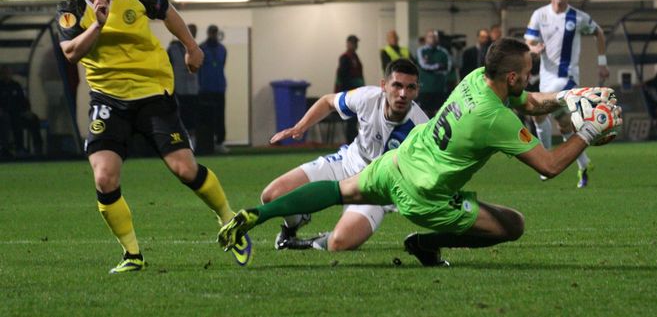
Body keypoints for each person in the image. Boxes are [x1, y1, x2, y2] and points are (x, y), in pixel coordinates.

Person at [217, 38, 621, 266]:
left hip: (396, 162)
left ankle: (256, 216)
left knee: (340, 191)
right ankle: (426, 244)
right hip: (425, 195)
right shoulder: (495, 118)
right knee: (513, 225)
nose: (530, 78)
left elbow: (529, 100)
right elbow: (549, 166)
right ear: (512, 76)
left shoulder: (478, 78)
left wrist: (566, 97)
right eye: (528, 72)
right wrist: (586, 132)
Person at [55, 0, 251, 273]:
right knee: (104, 178)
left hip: (152, 92)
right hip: (108, 99)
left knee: (185, 169)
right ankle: (132, 255)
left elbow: (167, 11)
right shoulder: (71, 10)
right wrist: (99, 24)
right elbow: (71, 54)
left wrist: (190, 46)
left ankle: (229, 220)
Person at [262, 59, 428, 251]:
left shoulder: (421, 128)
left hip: (376, 186)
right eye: (397, 86)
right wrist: (300, 127)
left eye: (410, 88)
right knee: (271, 196)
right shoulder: (366, 97)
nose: (403, 94)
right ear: (384, 85)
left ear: (417, 90)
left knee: (339, 243)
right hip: (347, 163)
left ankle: (313, 242)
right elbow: (328, 101)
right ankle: (294, 224)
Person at [524, 0, 609, 188]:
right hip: (546, 78)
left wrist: (602, 62)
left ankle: (542, 164)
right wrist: (534, 48)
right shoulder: (540, 15)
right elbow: (528, 41)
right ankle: (584, 164)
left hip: (567, 79)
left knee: (537, 111)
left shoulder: (577, 17)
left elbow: (598, 32)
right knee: (562, 125)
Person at [0, 66, 44, 156]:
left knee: (33, 119)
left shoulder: (16, 85)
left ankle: (38, 148)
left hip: (19, 113)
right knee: (10, 120)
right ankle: (14, 148)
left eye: (8, 73)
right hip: (5, 116)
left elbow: (23, 100)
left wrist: (27, 110)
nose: (7, 75)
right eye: (4, 73)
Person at [168, 23, 199, 144]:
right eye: (190, 32)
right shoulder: (172, 49)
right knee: (179, 119)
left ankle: (193, 145)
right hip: (178, 89)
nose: (192, 35)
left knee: (192, 119)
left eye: (194, 32)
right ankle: (179, 144)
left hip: (193, 90)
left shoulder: (197, 50)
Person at [198, 24, 228, 149]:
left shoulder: (222, 49)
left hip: (219, 88)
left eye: (215, 33)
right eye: (211, 33)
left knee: (220, 116)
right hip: (205, 88)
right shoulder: (201, 48)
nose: (213, 35)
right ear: (208, 33)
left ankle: (220, 141)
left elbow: (222, 65)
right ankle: (208, 143)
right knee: (207, 118)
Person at [334, 34, 365, 143]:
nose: (356, 45)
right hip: (349, 94)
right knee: (351, 120)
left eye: (356, 43)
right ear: (348, 44)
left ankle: (354, 142)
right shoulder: (345, 58)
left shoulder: (355, 57)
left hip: (356, 93)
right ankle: (350, 143)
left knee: (355, 120)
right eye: (353, 43)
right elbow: (343, 77)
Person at [416, 29, 453, 117]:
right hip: (425, 89)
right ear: (425, 39)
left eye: (435, 37)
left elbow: (447, 68)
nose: (433, 39)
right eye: (430, 36)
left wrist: (432, 66)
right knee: (424, 114)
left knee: (439, 114)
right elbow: (423, 65)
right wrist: (438, 66)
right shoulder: (421, 51)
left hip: (439, 88)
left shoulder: (443, 52)